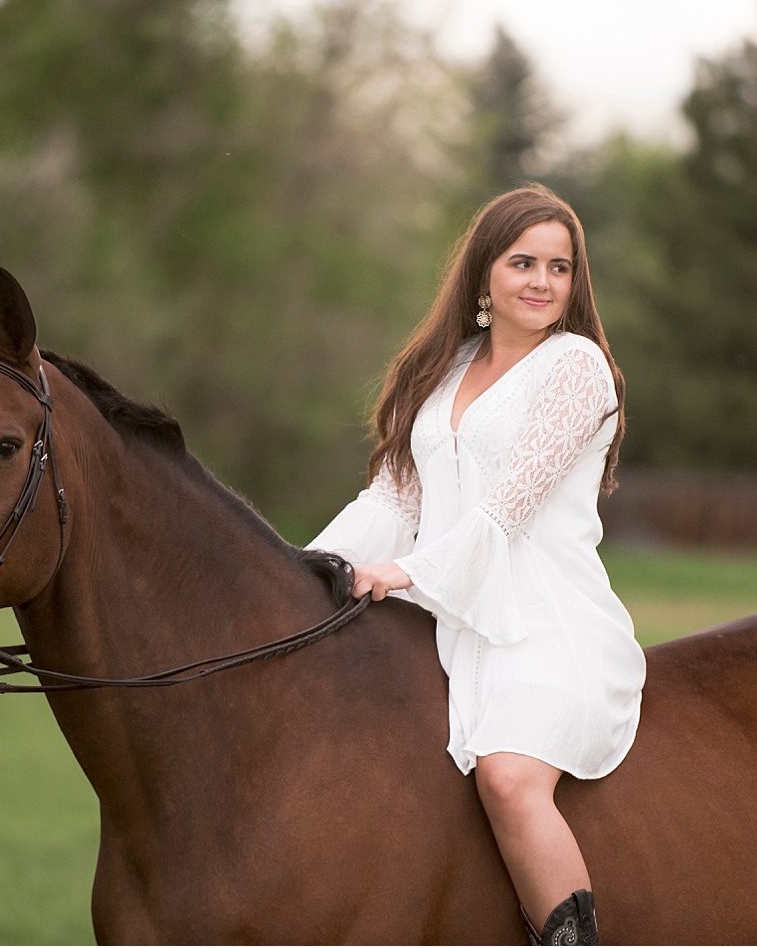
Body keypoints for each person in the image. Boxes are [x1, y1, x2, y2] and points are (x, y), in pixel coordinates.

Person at [309, 184, 646, 945]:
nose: (541, 281)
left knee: (508, 777)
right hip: (448, 615)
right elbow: (392, 502)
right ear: (483, 274)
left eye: (559, 267)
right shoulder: (443, 368)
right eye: (522, 261)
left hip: (546, 627)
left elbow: (505, 508)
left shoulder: (577, 368)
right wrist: (304, 572)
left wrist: (403, 573)